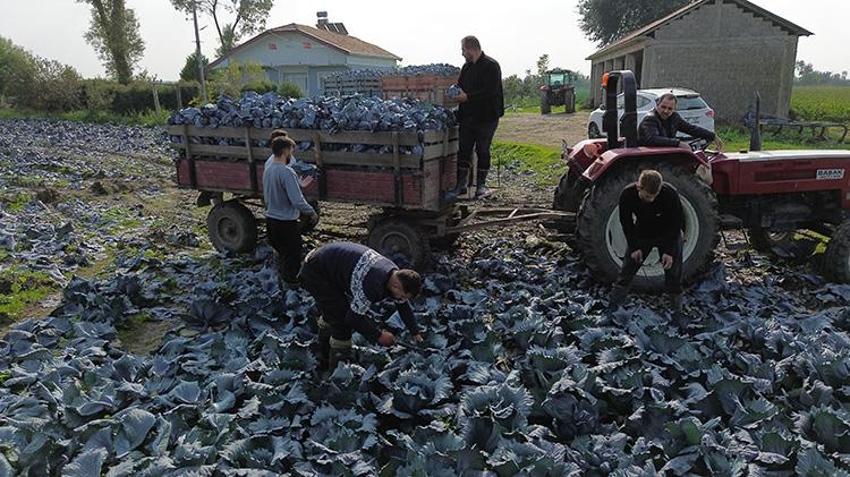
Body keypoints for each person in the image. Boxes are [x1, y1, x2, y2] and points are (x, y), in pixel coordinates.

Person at [299, 242, 423, 370]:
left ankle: (323, 351)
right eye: (403, 296)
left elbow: (403, 305)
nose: (402, 299)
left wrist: (415, 332)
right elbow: (353, 318)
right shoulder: (373, 285)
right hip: (316, 271)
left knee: (334, 310)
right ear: (396, 286)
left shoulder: (394, 274)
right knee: (340, 320)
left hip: (330, 265)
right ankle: (335, 368)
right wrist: (378, 335)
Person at [609, 169, 685, 313]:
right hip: (642, 233)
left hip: (668, 233)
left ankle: (677, 311)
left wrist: (669, 252)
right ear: (639, 187)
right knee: (627, 271)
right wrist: (634, 247)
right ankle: (613, 306)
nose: (651, 200)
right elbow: (626, 222)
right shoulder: (627, 194)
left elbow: (676, 223)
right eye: (648, 196)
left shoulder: (670, 194)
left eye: (655, 196)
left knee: (674, 274)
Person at [451, 35, 504, 199]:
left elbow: (490, 91)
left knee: (482, 149)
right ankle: (460, 185)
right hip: (468, 116)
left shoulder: (491, 66)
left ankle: (481, 185)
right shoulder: (466, 68)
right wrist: (455, 92)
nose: (462, 53)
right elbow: (460, 86)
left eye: (463, 50)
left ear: (470, 49)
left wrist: (467, 97)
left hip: (487, 117)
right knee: (464, 150)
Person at [263, 136, 317, 285]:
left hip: (271, 221)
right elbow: (297, 200)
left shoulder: (268, 170)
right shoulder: (287, 172)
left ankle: (282, 285)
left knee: (282, 255)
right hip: (285, 223)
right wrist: (311, 212)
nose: (292, 154)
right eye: (291, 150)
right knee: (292, 256)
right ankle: (291, 286)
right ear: (285, 151)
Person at [639, 93, 724, 151]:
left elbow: (691, 129)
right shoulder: (650, 119)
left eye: (670, 109)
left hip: (665, 153)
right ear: (657, 105)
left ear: (674, 109)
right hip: (651, 156)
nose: (666, 111)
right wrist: (678, 143)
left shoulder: (674, 117)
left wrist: (712, 136)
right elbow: (653, 139)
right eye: (663, 107)